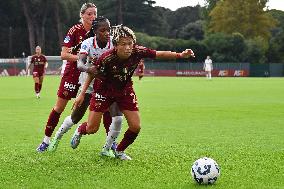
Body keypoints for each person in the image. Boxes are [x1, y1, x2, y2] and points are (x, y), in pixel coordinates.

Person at [70, 25, 195, 160]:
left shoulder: (138, 51)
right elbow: (91, 74)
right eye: (124, 44)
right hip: (103, 91)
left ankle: (119, 150)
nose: (128, 47)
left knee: (136, 127)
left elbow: (158, 54)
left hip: (124, 90)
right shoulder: (106, 58)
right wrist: (82, 94)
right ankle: (80, 131)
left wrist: (180, 55)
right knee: (92, 128)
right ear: (116, 45)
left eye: (130, 43)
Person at [47, 16, 123, 155]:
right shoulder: (87, 43)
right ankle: (57, 137)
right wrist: (89, 69)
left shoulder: (113, 43)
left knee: (116, 116)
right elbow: (80, 64)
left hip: (107, 84)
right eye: (103, 30)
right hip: (89, 82)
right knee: (76, 117)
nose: (107, 33)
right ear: (95, 31)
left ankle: (109, 148)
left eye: (109, 30)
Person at [36, 3, 98, 152]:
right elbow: (63, 54)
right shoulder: (75, 30)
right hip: (73, 73)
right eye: (89, 14)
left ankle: (110, 144)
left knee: (106, 106)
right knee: (59, 107)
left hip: (90, 74)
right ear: (82, 15)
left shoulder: (98, 31)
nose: (92, 17)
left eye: (94, 14)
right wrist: (82, 58)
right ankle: (46, 141)